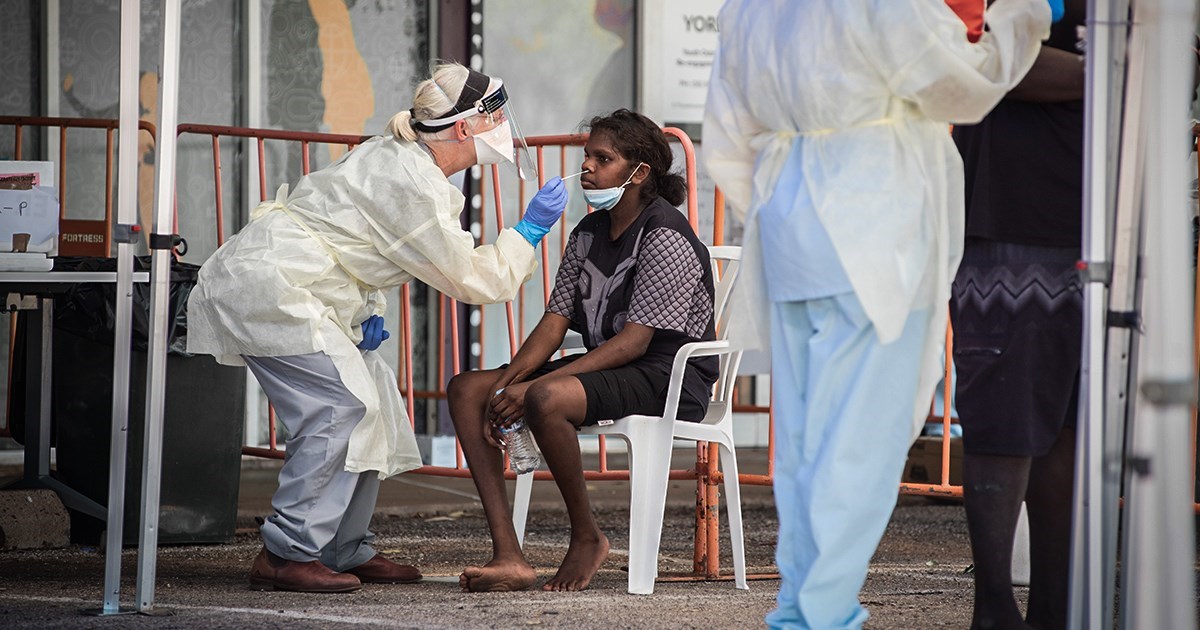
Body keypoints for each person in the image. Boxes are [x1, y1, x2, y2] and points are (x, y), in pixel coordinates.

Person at [702, 1, 1051, 628]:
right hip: (873, 222)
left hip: (787, 224)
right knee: (859, 440)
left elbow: (728, 139)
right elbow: (960, 84)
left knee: (806, 444)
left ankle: (802, 607)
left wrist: (786, 200)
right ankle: (822, 612)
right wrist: (1023, 16)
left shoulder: (749, 7)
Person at [187, 62, 568, 593]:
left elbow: (355, 240)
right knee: (339, 408)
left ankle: (342, 547)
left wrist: (368, 311)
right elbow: (476, 280)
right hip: (272, 289)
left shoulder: (407, 162)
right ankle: (287, 553)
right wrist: (528, 231)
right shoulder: (412, 180)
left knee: (376, 399)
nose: (506, 126)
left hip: (308, 290)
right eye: (497, 115)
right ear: (465, 127)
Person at [447, 109, 718, 593]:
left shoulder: (665, 233)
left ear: (639, 173)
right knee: (469, 389)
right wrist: (511, 380)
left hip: (668, 375)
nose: (587, 167)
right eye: (587, 155)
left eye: (602, 158)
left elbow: (637, 341)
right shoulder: (588, 232)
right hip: (613, 366)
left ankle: (587, 538)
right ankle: (508, 555)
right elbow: (555, 323)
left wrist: (535, 386)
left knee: (546, 399)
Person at [949, 2, 1085, 628]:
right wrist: (1112, 73)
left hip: (1098, 225)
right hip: (1007, 220)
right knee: (1005, 416)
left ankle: (1056, 606)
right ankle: (994, 607)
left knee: (1067, 429)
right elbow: (982, 57)